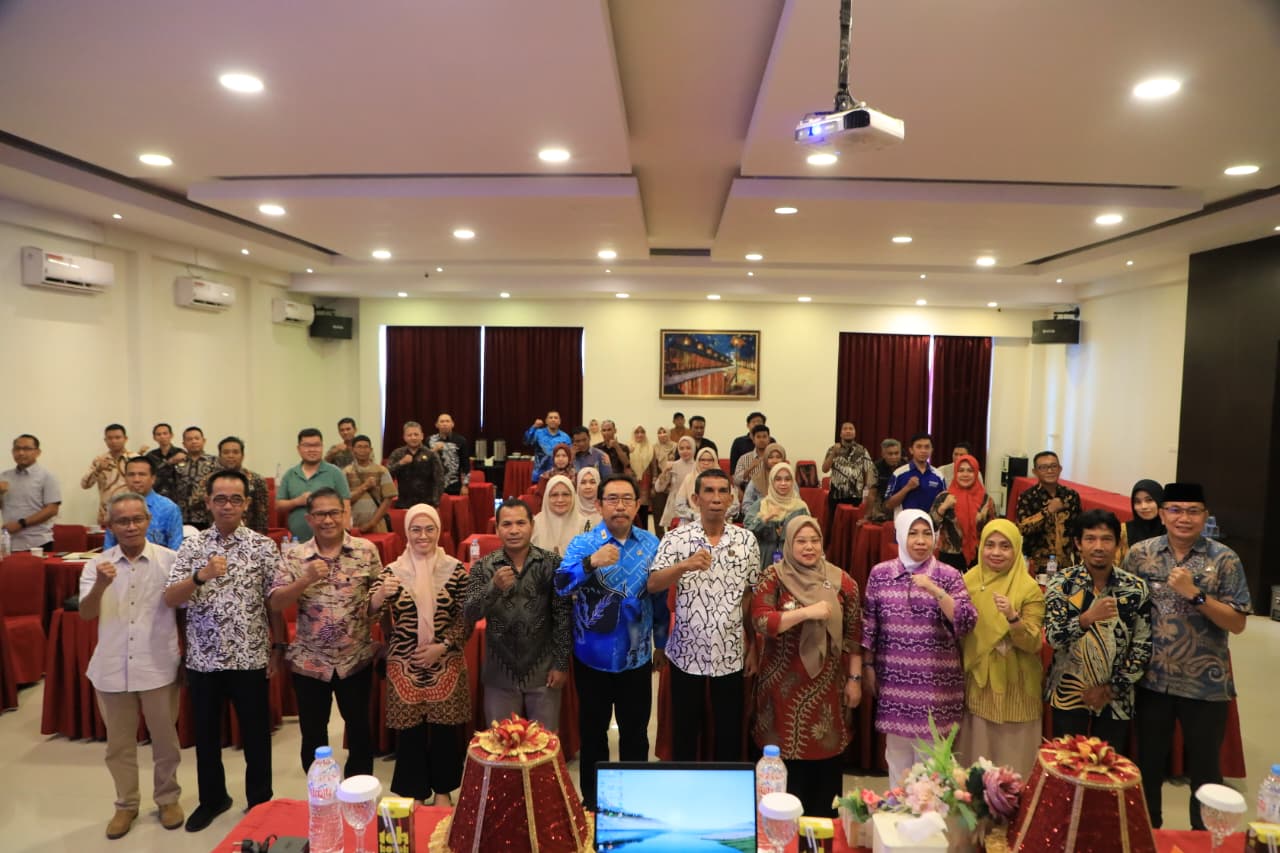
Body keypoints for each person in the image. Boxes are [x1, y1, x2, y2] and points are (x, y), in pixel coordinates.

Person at [163, 470, 287, 832]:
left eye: (235, 499)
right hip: (204, 659)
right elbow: (170, 598)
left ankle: (260, 800)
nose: (227, 505)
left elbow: (275, 602)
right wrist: (199, 576)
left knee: (256, 736)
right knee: (206, 736)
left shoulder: (263, 546)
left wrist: (279, 646)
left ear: (246, 503)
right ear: (208, 503)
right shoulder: (192, 546)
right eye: (220, 499)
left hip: (250, 657)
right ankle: (213, 799)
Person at [1125, 482, 1251, 831]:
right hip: (1151, 680)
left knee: (1206, 773)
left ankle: (1204, 839)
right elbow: (1126, 608)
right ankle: (1146, 835)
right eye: (1176, 510)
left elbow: (1237, 623)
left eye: (1193, 511)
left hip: (1205, 684)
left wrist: (1195, 594)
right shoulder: (1139, 554)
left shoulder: (1224, 559)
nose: (1184, 518)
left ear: (1205, 516)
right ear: (1163, 514)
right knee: (1147, 766)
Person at [554, 475, 667, 811]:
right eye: (612, 499)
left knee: (636, 735)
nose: (620, 506)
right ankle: (593, 803)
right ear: (599, 505)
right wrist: (591, 563)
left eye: (627, 499)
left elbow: (659, 599)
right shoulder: (584, 543)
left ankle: (634, 805)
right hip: (591, 658)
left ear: (637, 505)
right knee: (593, 735)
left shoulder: (651, 544)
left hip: (636, 658)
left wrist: (661, 642)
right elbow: (560, 585)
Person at [79, 492, 183, 839]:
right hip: (111, 668)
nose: (131, 526)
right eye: (122, 521)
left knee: (165, 740)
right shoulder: (96, 565)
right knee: (119, 746)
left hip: (158, 665)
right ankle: (126, 804)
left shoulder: (170, 561)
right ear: (110, 526)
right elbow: (86, 613)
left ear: (148, 521)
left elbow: (185, 609)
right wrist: (101, 585)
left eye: (138, 519)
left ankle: (167, 798)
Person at [751, 515, 861, 817]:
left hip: (828, 693)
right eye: (801, 541)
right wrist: (807, 612)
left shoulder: (843, 582)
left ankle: (822, 834)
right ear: (789, 543)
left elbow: (853, 637)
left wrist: (855, 679)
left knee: (825, 783)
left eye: (814, 540)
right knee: (783, 784)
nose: (809, 547)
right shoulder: (773, 577)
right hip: (780, 693)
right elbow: (761, 620)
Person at [648, 466, 761, 761]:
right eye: (709, 491)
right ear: (696, 499)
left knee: (729, 732)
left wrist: (752, 644)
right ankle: (686, 784)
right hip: (687, 651)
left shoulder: (746, 541)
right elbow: (653, 583)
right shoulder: (676, 538)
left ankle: (726, 784)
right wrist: (683, 566)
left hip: (731, 651)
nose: (716, 498)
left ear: (731, 499)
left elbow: (749, 596)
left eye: (723, 491)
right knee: (685, 733)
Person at [269, 488, 381, 776]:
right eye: (320, 514)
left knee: (359, 730)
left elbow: (380, 599)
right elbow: (276, 602)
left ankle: (358, 791)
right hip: (310, 662)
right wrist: (304, 580)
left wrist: (387, 640)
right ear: (309, 519)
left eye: (333, 513)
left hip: (355, 659)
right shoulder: (295, 556)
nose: (328, 520)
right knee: (313, 733)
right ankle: (320, 792)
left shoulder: (366, 550)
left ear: (344, 514)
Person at [861, 510, 977, 784]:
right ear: (901, 535)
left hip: (936, 687)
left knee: (932, 768)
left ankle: (928, 813)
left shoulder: (947, 575)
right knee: (897, 761)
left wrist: (936, 591)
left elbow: (967, 620)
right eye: (913, 533)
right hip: (894, 684)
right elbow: (869, 625)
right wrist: (867, 665)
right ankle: (898, 811)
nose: (921, 541)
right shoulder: (881, 574)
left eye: (927, 534)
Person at [372, 503, 471, 806]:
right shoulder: (392, 572)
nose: (423, 535)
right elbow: (369, 611)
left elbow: (466, 617)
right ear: (407, 532)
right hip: (405, 664)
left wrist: (442, 646)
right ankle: (413, 791)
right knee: (410, 734)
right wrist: (380, 595)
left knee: (444, 732)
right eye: (416, 529)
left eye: (429, 529)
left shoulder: (455, 570)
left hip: (445, 659)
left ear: (438, 531)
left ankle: (443, 790)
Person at [1044, 509, 1151, 752]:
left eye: (1106, 539)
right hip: (1068, 694)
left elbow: (1142, 648)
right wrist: (1085, 620)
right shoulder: (1061, 583)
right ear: (1078, 543)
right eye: (1090, 539)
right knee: (1066, 765)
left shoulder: (1135, 588)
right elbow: (1053, 638)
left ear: (1118, 543)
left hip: (1116, 699)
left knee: (1109, 768)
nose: (1099, 546)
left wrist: (1110, 689)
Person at [464, 499, 572, 729]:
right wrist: (493, 588)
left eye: (521, 523)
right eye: (507, 524)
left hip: (544, 672)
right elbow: (470, 613)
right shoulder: (483, 567)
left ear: (532, 525)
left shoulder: (552, 563)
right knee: (501, 744)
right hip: (499, 674)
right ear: (497, 529)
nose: (514, 530)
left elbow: (563, 616)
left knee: (543, 744)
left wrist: (561, 664)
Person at [957, 520, 1046, 780]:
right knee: (975, 762)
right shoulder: (967, 582)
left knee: (1014, 767)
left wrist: (1012, 618)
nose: (996, 552)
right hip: (978, 684)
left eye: (1005, 546)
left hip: (1016, 685)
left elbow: (1033, 643)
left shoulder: (1028, 588)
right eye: (990, 545)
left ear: (1016, 549)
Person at [276, 428, 351, 542]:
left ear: (322, 447)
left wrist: (345, 533)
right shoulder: (290, 474)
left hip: (331, 540)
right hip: (298, 541)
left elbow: (346, 504)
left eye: (316, 445)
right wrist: (297, 501)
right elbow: (278, 506)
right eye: (307, 446)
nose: (312, 449)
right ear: (299, 448)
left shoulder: (335, 473)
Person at [1015, 450, 1082, 571]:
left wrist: (1079, 564)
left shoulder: (1071, 496)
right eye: (1043, 467)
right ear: (1035, 472)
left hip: (1065, 565)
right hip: (1036, 565)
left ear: (1060, 469)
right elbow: (1023, 528)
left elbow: (1078, 530)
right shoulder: (1027, 497)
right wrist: (1048, 511)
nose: (1050, 471)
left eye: (1053, 466)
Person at [930, 453, 995, 571]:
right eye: (961, 470)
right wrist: (943, 507)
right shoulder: (944, 497)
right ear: (956, 473)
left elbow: (992, 530)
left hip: (979, 556)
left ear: (976, 473)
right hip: (949, 556)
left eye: (970, 470)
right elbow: (932, 526)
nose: (965, 474)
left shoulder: (986, 500)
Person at [103, 457, 183, 551]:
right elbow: (109, 548)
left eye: (142, 474)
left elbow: (176, 549)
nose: (136, 479)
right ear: (125, 478)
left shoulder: (169, 508)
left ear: (153, 479)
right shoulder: (116, 507)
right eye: (131, 475)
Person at [1, 433, 62, 551]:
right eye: (17, 449)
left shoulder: (47, 476)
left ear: (38, 452)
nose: (21, 453)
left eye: (27, 449)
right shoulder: (4, 476)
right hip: (9, 543)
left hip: (37, 542)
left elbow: (52, 509)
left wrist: (21, 524)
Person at [746, 461, 809, 571]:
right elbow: (748, 530)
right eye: (778, 479)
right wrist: (766, 518)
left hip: (793, 562)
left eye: (787, 479)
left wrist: (787, 531)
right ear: (772, 481)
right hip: (763, 560)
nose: (783, 483)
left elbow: (808, 535)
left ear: (793, 482)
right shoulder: (761, 504)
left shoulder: (800, 507)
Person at [168, 427, 220, 530]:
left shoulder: (215, 462)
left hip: (207, 517)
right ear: (184, 444)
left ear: (203, 441)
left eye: (197, 438)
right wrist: (170, 462)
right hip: (181, 516)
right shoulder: (177, 462)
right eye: (189, 439)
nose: (194, 441)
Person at [884, 432, 947, 518]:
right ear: (911, 450)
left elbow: (944, 503)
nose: (923, 450)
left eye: (927, 447)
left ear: (931, 450)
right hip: (905, 523)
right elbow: (888, 505)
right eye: (919, 447)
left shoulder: (939, 476)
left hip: (930, 524)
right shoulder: (898, 473)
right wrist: (907, 488)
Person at [215, 436, 270, 534]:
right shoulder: (210, 480)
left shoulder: (256, 480)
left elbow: (262, 515)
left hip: (248, 535)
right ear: (219, 456)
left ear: (242, 456)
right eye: (226, 452)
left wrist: (259, 538)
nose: (231, 456)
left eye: (235, 452)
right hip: (216, 535)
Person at [81, 423, 133, 525]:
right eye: (110, 438)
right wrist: (98, 470)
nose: (113, 441)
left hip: (130, 512)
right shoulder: (99, 460)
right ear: (105, 440)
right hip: (106, 515)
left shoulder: (135, 459)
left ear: (125, 439)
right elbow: (85, 485)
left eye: (117, 437)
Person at [672, 446, 740, 524]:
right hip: (692, 520)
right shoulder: (689, 478)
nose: (706, 463)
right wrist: (696, 516)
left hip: (721, 519)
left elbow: (735, 505)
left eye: (710, 460)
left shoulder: (722, 479)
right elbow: (679, 505)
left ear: (715, 461)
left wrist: (720, 515)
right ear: (697, 461)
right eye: (702, 460)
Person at [345, 434, 398, 533]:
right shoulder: (346, 472)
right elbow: (344, 500)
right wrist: (364, 486)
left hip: (378, 525)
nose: (363, 450)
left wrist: (372, 523)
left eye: (366, 447)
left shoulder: (382, 470)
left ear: (371, 450)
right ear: (353, 450)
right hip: (353, 526)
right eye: (359, 447)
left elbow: (388, 499)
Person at [823, 422, 875, 520]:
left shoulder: (862, 450)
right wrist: (833, 453)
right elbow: (825, 469)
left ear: (855, 433)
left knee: (853, 524)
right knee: (835, 525)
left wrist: (867, 489)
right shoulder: (832, 449)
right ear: (840, 433)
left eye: (851, 429)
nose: (848, 431)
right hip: (836, 495)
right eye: (845, 429)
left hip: (856, 496)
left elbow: (868, 470)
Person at [389, 421, 447, 508]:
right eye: (409, 435)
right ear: (404, 437)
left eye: (416, 434)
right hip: (404, 503)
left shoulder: (431, 454)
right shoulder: (397, 454)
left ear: (422, 436)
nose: (413, 437)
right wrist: (401, 463)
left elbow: (439, 480)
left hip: (427, 504)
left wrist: (435, 503)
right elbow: (388, 475)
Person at [531, 475, 581, 556]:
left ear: (573, 496)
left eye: (565, 494)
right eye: (554, 495)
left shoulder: (585, 524)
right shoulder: (534, 524)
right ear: (547, 497)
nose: (560, 500)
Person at [1120, 479, 1165, 561]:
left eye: (1149, 500)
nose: (1143, 506)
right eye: (1137, 502)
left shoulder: (1173, 531)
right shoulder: (1124, 531)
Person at [428, 413, 471, 496]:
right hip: (434, 486)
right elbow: (424, 461)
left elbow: (466, 465)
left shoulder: (461, 440)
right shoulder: (429, 440)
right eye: (442, 421)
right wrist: (434, 450)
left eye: (447, 421)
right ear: (436, 425)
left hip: (454, 485)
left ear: (452, 424)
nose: (445, 424)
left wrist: (465, 485)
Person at [524, 411, 573, 479]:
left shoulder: (565, 437)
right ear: (546, 421)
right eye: (550, 417)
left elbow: (569, 456)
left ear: (559, 421)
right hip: (539, 474)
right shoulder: (538, 433)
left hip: (559, 475)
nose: (553, 419)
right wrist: (534, 426)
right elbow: (526, 442)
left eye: (556, 418)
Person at [864, 438, 903, 522]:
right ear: (883, 454)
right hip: (881, 510)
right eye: (890, 454)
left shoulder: (906, 466)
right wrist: (867, 516)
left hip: (901, 509)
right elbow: (872, 494)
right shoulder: (875, 468)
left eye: (896, 453)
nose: (894, 457)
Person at [628, 425, 657, 530]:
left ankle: (644, 536)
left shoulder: (650, 448)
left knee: (643, 514)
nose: (640, 435)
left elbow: (654, 468)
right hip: (632, 483)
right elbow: (625, 465)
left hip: (645, 485)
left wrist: (653, 485)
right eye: (637, 432)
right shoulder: (628, 447)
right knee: (631, 512)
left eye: (642, 432)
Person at [742, 442, 788, 509]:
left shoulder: (789, 479)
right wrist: (760, 514)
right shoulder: (756, 479)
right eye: (770, 457)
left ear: (783, 459)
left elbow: (797, 502)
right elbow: (746, 504)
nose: (774, 461)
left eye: (778, 457)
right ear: (765, 459)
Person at [649, 427, 677, 535]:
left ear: (669, 433)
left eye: (664, 432)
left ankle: (672, 537)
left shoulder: (676, 446)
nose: (662, 434)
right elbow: (654, 467)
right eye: (659, 432)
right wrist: (654, 485)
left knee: (672, 514)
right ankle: (659, 538)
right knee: (658, 513)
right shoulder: (654, 448)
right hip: (659, 482)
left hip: (673, 483)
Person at [145, 423, 184, 501]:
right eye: (158, 434)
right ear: (154, 438)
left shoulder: (180, 453)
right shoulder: (150, 456)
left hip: (178, 496)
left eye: (165, 433)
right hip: (156, 495)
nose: (162, 436)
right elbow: (148, 474)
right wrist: (169, 462)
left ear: (171, 435)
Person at [732, 423, 772, 492]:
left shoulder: (775, 458)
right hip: (750, 493)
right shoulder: (744, 458)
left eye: (764, 437)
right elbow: (736, 481)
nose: (761, 440)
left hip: (771, 492)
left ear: (769, 439)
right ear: (753, 440)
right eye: (758, 437)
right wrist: (749, 469)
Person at [575, 466, 604, 531]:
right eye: (583, 482)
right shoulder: (571, 509)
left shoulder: (606, 510)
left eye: (592, 482)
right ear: (578, 486)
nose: (588, 486)